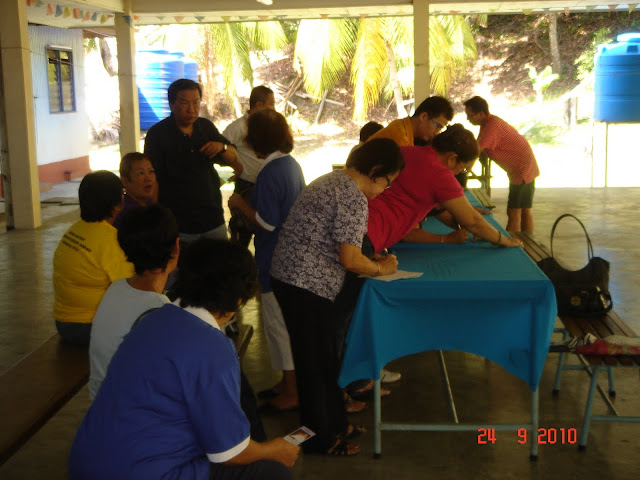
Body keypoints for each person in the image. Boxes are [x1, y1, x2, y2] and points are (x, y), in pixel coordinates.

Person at [69, 239, 299, 480]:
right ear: (238, 300)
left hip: (86, 464)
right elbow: (230, 453)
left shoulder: (152, 319)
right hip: (141, 472)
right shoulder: (213, 347)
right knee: (272, 472)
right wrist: (273, 450)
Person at [270, 138, 404, 456]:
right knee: (315, 365)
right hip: (306, 285)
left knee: (323, 359)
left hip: (294, 279)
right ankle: (319, 438)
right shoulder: (353, 196)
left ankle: (336, 424)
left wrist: (371, 262)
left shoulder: (333, 180)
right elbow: (350, 259)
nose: (385, 190)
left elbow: (341, 247)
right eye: (387, 182)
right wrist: (380, 269)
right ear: (375, 170)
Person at [228, 110, 305, 413]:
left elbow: (266, 222)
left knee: (277, 326)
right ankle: (286, 382)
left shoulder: (271, 172)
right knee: (282, 323)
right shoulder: (289, 165)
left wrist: (239, 203)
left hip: (275, 258)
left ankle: (292, 390)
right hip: (289, 257)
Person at [367, 124, 524, 254]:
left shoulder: (407, 151)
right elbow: (472, 221)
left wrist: (464, 216)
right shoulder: (440, 175)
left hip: (359, 221)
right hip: (371, 235)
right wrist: (504, 240)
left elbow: (436, 208)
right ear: (452, 158)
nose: (459, 173)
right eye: (463, 168)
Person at [88, 204, 179, 400]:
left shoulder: (116, 288)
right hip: (128, 410)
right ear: (176, 247)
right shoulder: (160, 311)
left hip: (99, 401)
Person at [144, 78, 243, 243]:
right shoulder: (157, 134)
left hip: (212, 219)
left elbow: (233, 156)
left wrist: (222, 147)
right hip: (177, 223)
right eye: (184, 103)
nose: (191, 109)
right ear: (172, 104)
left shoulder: (205, 127)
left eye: (196, 102)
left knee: (219, 259)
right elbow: (152, 179)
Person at [52, 171, 134, 345]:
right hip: (89, 326)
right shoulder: (110, 240)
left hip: (63, 322)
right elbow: (130, 288)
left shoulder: (75, 229)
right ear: (117, 204)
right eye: (123, 193)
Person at [464, 96, 540, 233]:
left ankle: (513, 242)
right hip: (523, 166)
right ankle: (525, 240)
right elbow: (478, 149)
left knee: (515, 211)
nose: (468, 119)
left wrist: (464, 174)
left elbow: (476, 152)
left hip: (522, 169)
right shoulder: (487, 124)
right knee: (524, 208)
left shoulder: (492, 126)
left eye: (470, 116)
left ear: (480, 113)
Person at [224, 86, 276, 247]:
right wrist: (236, 166)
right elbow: (220, 148)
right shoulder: (238, 127)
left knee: (265, 231)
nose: (274, 109)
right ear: (259, 105)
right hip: (246, 187)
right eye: (272, 104)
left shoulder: (269, 125)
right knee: (240, 238)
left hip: (266, 186)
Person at [367, 96, 453, 146]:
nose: (436, 133)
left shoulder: (404, 127)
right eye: (437, 126)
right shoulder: (399, 137)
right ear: (424, 117)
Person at [112, 152, 157, 229]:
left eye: (151, 171)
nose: (148, 178)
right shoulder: (125, 213)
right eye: (141, 173)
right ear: (125, 181)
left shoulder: (149, 204)